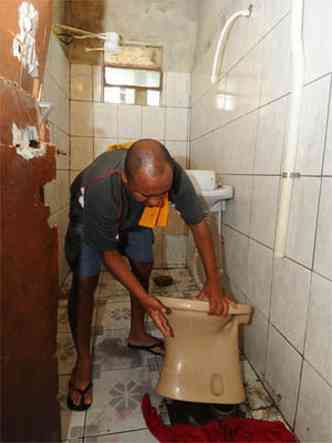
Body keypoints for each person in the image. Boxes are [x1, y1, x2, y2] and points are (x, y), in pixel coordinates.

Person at [65, 139, 230, 411]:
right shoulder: (101, 185)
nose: (156, 203)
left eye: (162, 194)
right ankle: (82, 362)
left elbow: (199, 224)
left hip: (132, 211)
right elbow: (109, 253)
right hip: (90, 213)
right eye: (146, 195)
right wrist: (146, 298)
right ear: (124, 178)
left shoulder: (170, 177)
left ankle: (138, 333)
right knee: (85, 280)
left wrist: (213, 283)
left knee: (142, 263)